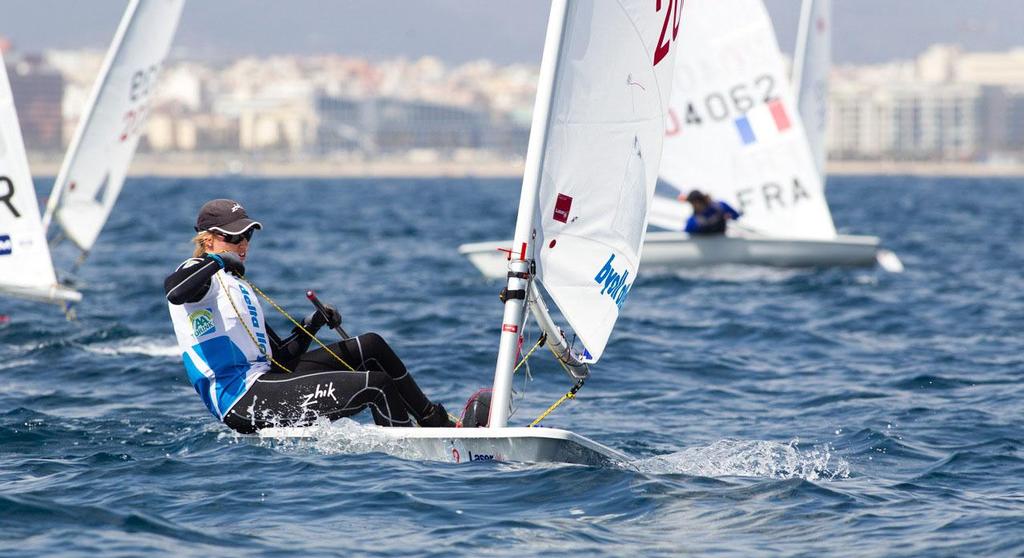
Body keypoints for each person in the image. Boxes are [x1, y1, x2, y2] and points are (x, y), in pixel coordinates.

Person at [164, 199, 454, 434]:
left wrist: (311, 325)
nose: (243, 244)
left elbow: (278, 357)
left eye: (248, 235)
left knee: (371, 346)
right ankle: (406, 467)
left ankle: (435, 422)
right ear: (208, 240)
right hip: (240, 400)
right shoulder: (198, 271)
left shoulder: (237, 286)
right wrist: (216, 261)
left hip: (265, 379)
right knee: (375, 385)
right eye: (234, 237)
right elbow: (174, 292)